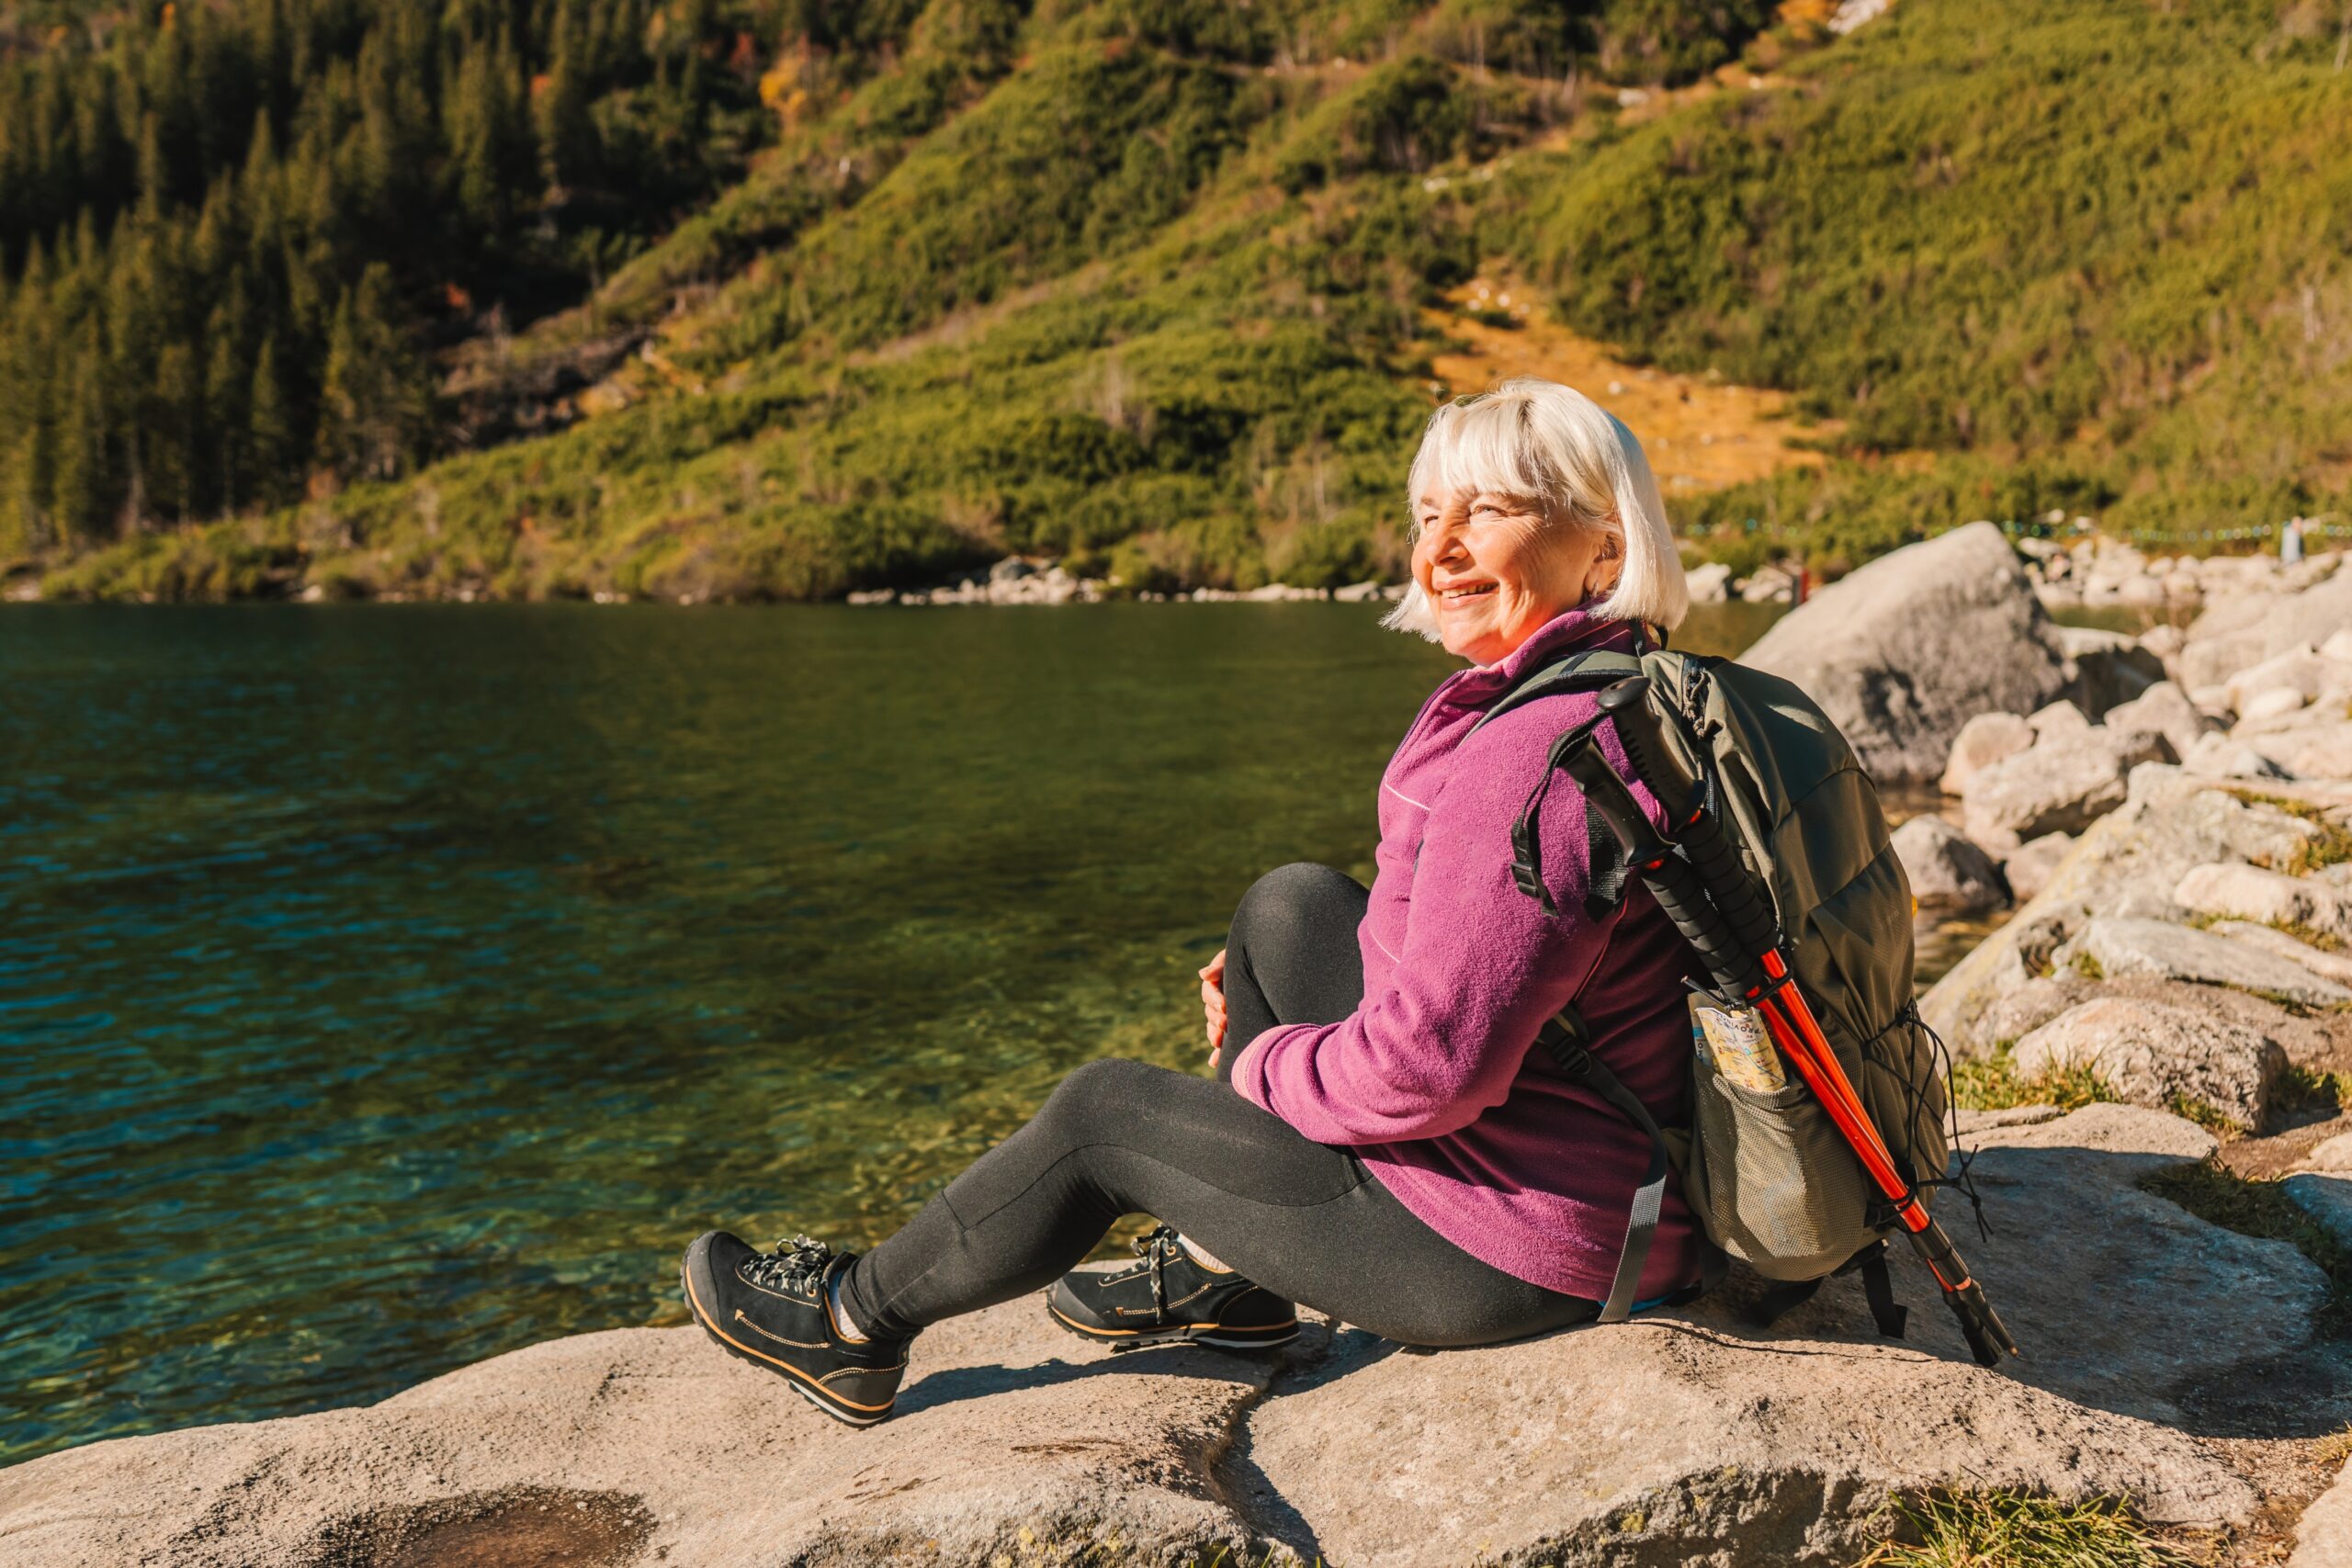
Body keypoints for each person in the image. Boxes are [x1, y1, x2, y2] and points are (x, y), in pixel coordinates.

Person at [680, 378, 1705, 1427]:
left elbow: (1427, 1075)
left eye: (1485, 511)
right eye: (1428, 514)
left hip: (1523, 1245)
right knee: (1291, 907)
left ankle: (848, 1327)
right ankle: (1234, 1277)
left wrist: (1259, 1076)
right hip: (1602, 1168)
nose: (1437, 549)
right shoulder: (1623, 687)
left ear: (1605, 548)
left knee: (1102, 1115)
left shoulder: (1529, 758)